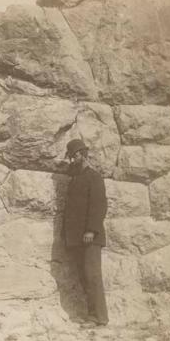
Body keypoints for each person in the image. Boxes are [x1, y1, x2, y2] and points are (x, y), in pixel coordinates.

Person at [62, 138, 109, 327]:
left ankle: (99, 317)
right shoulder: (75, 179)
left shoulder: (94, 177)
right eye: (71, 157)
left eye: (74, 156)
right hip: (76, 239)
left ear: (82, 155)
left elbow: (99, 206)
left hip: (90, 237)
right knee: (84, 277)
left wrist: (91, 229)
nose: (72, 160)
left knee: (92, 276)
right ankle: (92, 315)